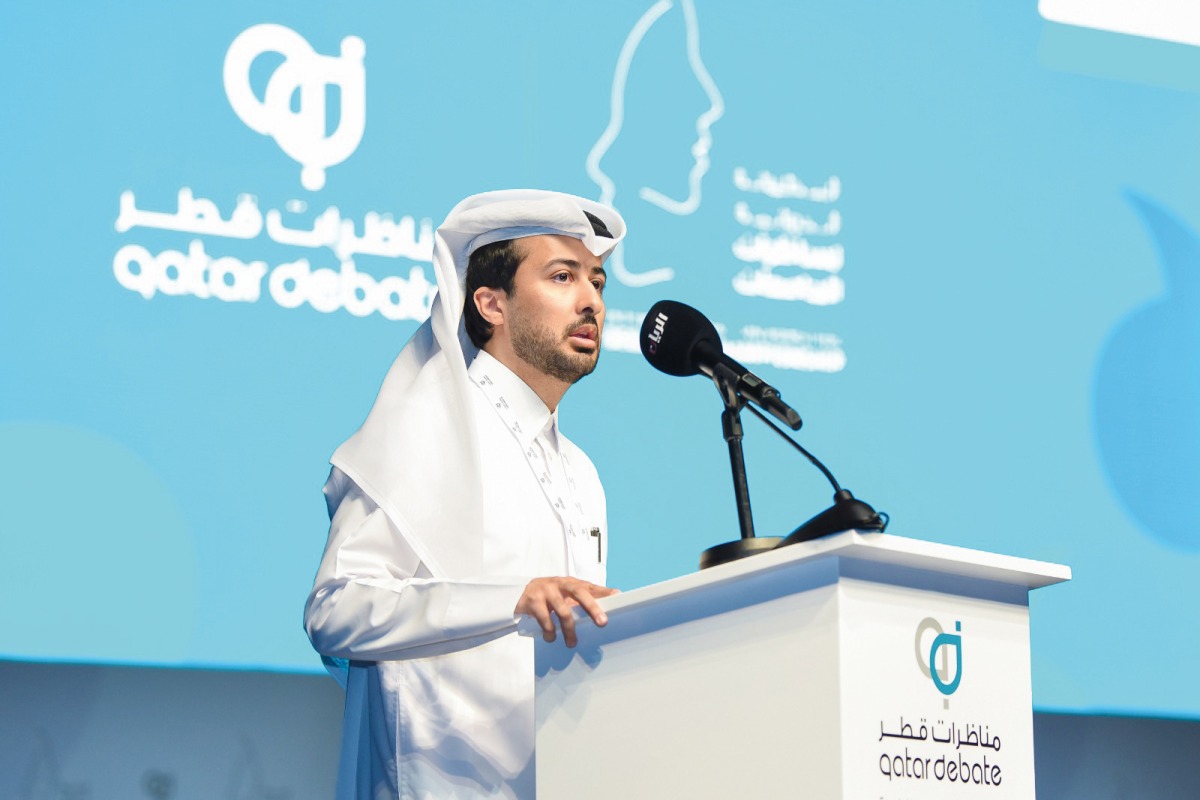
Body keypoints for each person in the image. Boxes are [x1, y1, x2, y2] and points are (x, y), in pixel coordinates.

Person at [304, 190, 627, 799]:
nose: (590, 301)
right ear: (490, 303)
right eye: (562, 276)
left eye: (598, 283)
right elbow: (335, 609)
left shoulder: (582, 472)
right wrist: (511, 599)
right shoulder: (423, 425)